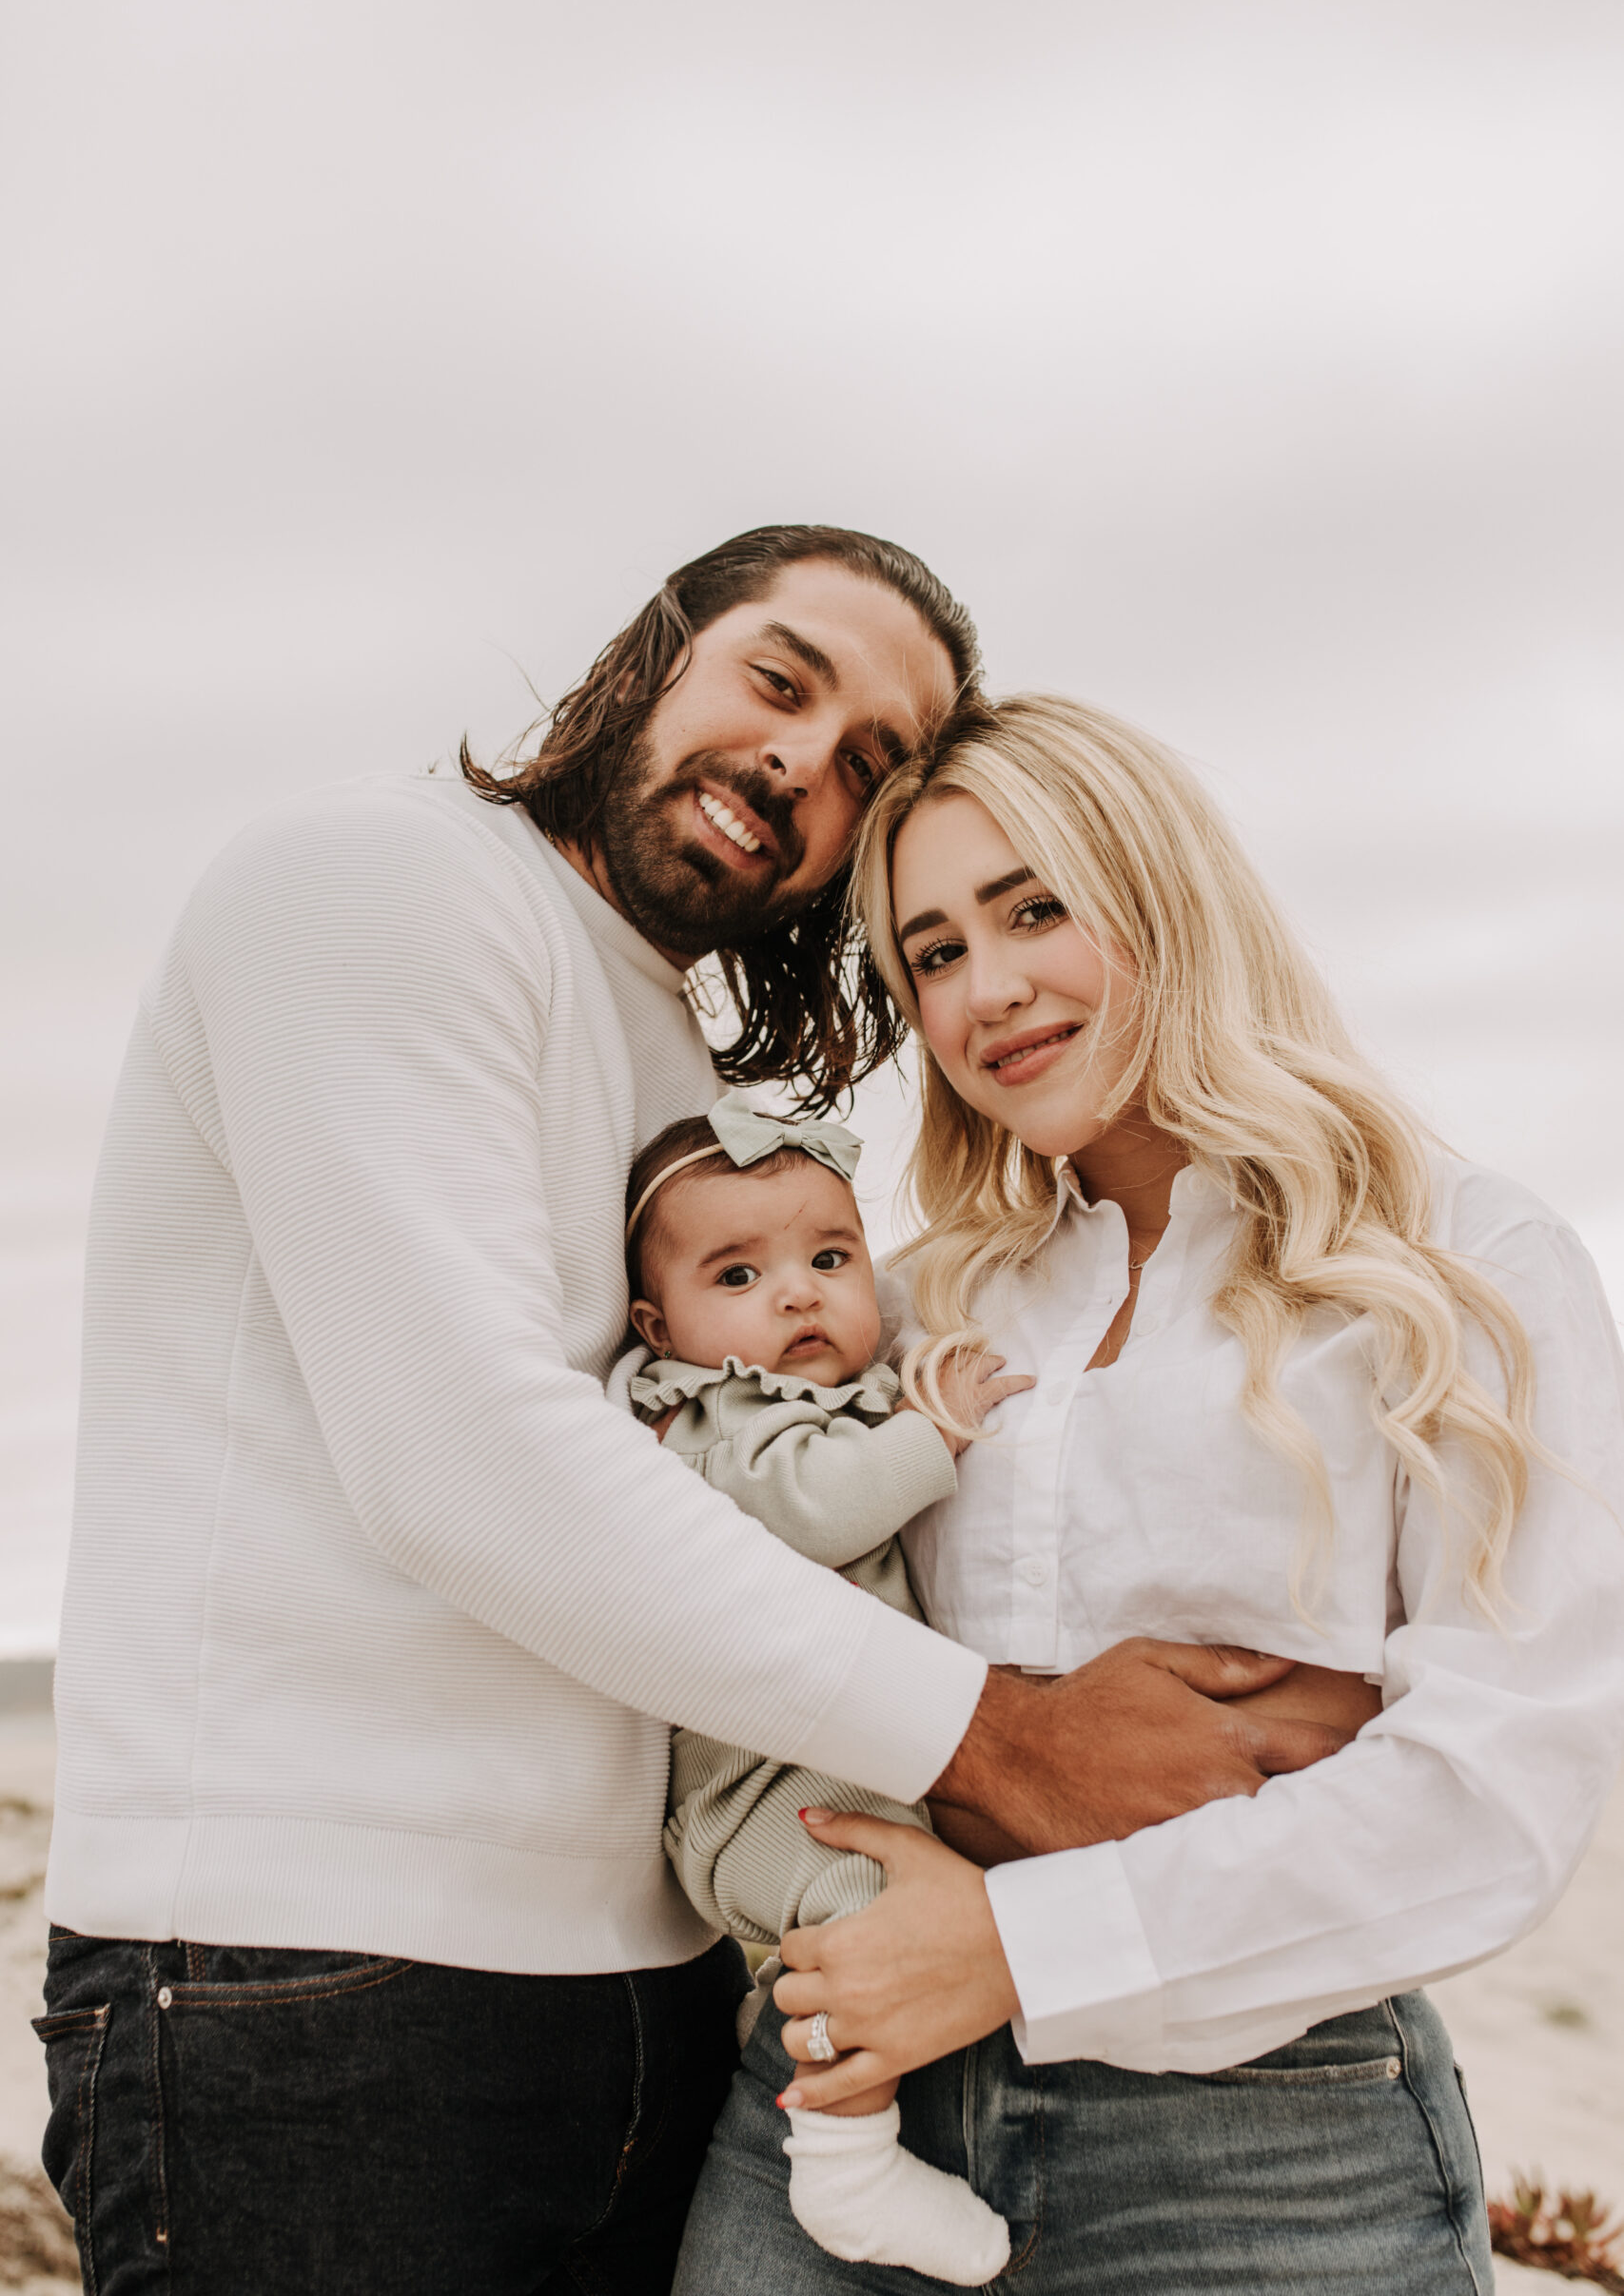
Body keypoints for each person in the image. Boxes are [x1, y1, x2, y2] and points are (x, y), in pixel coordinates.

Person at [34, 535, 1351, 2296]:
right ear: (657, 651)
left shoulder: (681, 1061)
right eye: (780, 680)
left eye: (869, 763)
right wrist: (999, 1743)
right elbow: (465, 1462)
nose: (804, 762)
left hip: (651, 1994)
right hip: (309, 1975)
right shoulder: (372, 884)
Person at [675, 691, 1624, 2294]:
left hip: (1260, 2151)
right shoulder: (906, 1313)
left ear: (1164, 892)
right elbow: (721, 1587)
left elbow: (1490, 1796)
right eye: (934, 953)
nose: (991, 990)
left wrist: (1015, 1945)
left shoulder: (1458, 1270)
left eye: (1034, 908)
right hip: (842, 2102)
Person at [616, 1094, 1028, 2285]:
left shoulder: (830, 1392)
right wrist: (932, 1431)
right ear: (659, 1323)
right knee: (865, 1910)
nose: (797, 1292)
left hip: (826, 1783)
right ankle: (848, 2173)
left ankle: (784, 2009)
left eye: (830, 1257)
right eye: (738, 1274)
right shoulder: (701, 1423)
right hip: (757, 1808)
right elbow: (816, 1509)